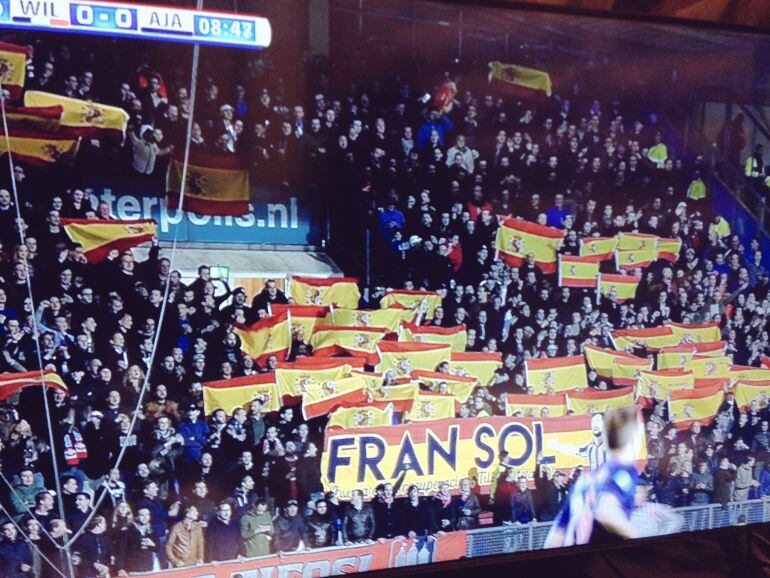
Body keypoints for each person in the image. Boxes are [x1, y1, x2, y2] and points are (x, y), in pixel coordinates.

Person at [545, 407, 644, 546]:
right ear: (635, 437)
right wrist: (642, 544)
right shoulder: (624, 472)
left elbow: (557, 533)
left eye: (598, 421)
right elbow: (605, 509)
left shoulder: (583, 483)